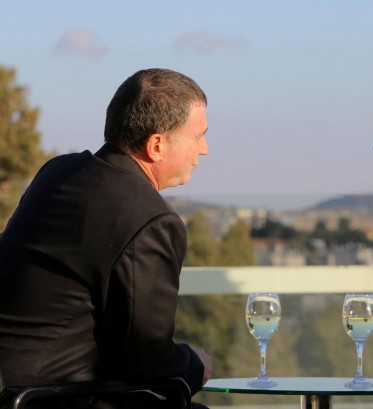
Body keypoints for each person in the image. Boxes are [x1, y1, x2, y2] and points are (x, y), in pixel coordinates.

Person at [0, 68, 213, 408]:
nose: (204, 149)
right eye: (197, 136)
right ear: (156, 145)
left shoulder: (58, 172)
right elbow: (146, 361)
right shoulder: (151, 219)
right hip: (51, 398)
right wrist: (195, 363)